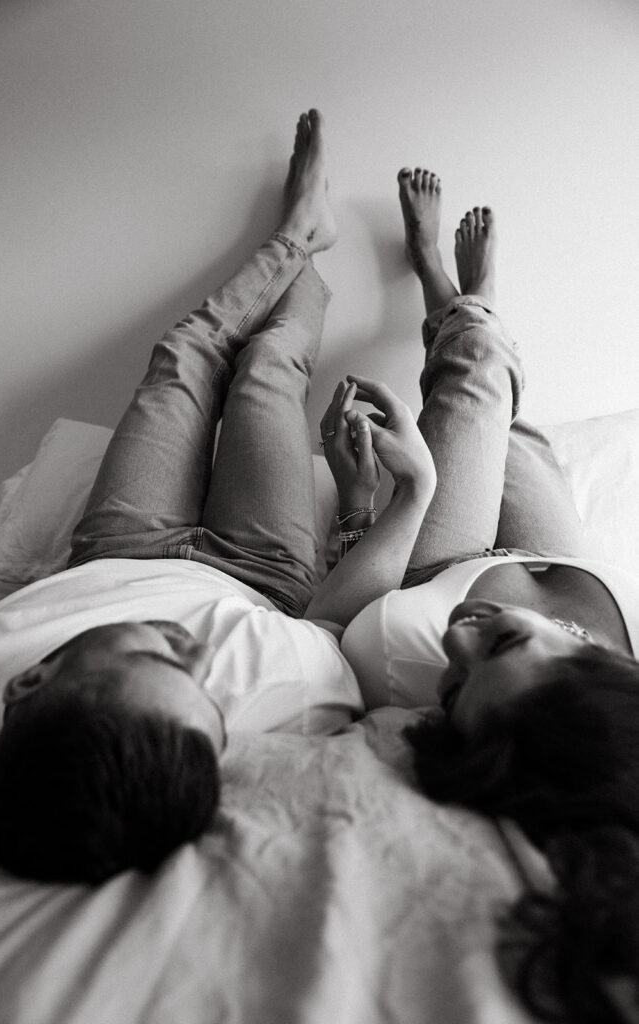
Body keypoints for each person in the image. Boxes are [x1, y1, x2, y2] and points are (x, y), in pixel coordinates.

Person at [0, 110, 436, 885]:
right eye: (198, 684)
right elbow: (337, 617)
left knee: (183, 355)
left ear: (32, 682)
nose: (195, 651)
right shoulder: (282, 703)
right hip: (261, 568)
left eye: (157, 653)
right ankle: (303, 251)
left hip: (117, 546)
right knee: (267, 369)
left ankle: (295, 235)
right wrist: (360, 505)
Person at [321, 168, 639, 1023]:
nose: (457, 641)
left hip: (445, 551)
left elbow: (338, 602)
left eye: (453, 684)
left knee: (471, 384)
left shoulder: (401, 660)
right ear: (595, 659)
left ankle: (445, 284)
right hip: (561, 560)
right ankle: (474, 303)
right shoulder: (611, 736)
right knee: (520, 430)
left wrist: (373, 507)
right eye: (500, 647)